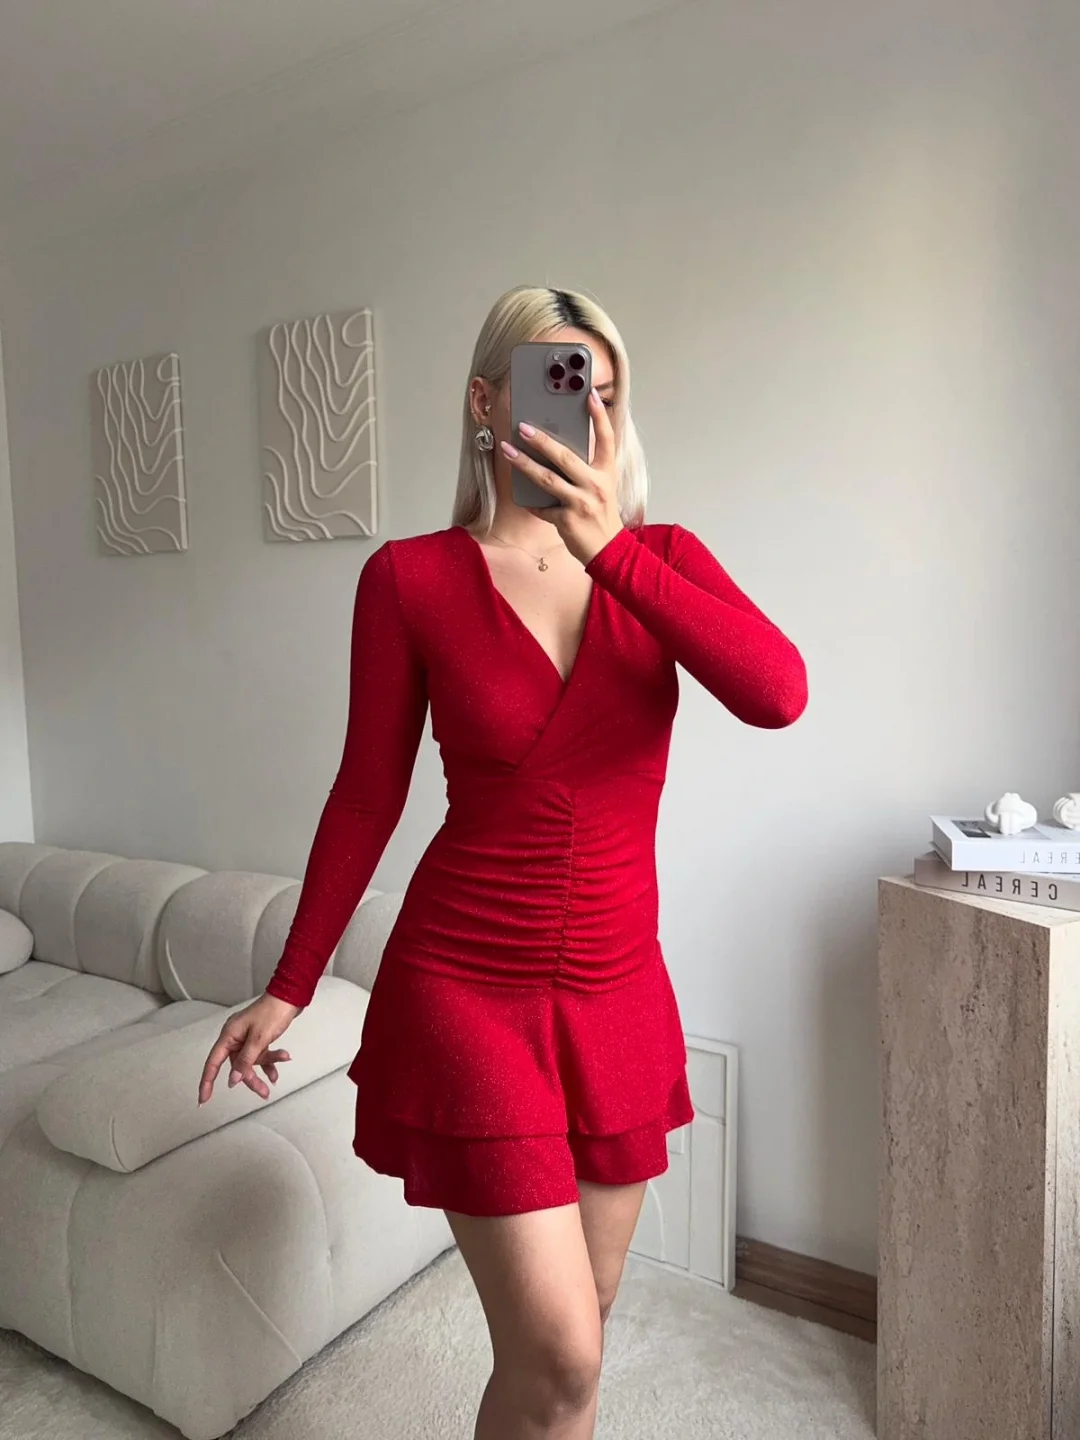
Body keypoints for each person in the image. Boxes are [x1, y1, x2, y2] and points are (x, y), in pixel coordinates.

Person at [198, 285, 808, 1440]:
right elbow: (367, 792)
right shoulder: (410, 579)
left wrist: (609, 550)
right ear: (486, 403)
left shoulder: (663, 561)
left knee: (575, 1341)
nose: (584, 416)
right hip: (469, 988)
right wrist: (290, 983)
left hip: (619, 992)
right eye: (556, 386)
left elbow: (778, 693)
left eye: (604, 394)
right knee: (562, 1355)